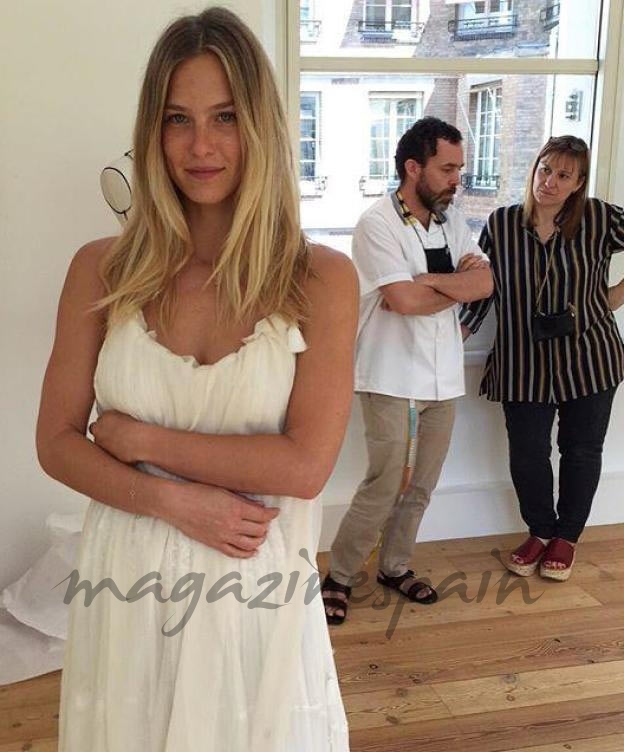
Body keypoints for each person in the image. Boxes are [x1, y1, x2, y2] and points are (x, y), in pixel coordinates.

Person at [36, 8, 358, 751]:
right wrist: (172, 501)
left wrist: (141, 440)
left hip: (256, 591)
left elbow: (305, 466)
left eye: (225, 117)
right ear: (153, 131)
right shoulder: (101, 269)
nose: (201, 145)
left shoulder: (321, 278)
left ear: (261, 127)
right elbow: (55, 443)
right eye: (178, 119)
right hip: (126, 588)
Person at [321, 117, 493, 625]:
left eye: (460, 168)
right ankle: (339, 577)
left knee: (422, 485)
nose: (457, 179)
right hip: (389, 374)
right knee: (384, 483)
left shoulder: (451, 221)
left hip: (443, 374)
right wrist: (449, 284)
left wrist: (429, 282)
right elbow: (402, 300)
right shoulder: (376, 224)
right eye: (447, 169)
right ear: (413, 168)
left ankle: (394, 567)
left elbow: (484, 283)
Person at [461, 135, 624, 582]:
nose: (549, 182)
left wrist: (613, 296)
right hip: (522, 361)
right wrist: (456, 334)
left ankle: (566, 538)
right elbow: (484, 290)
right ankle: (539, 530)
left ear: (578, 183)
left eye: (563, 175)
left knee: (581, 451)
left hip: (590, 357)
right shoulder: (502, 224)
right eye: (545, 169)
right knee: (528, 452)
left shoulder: (599, 219)